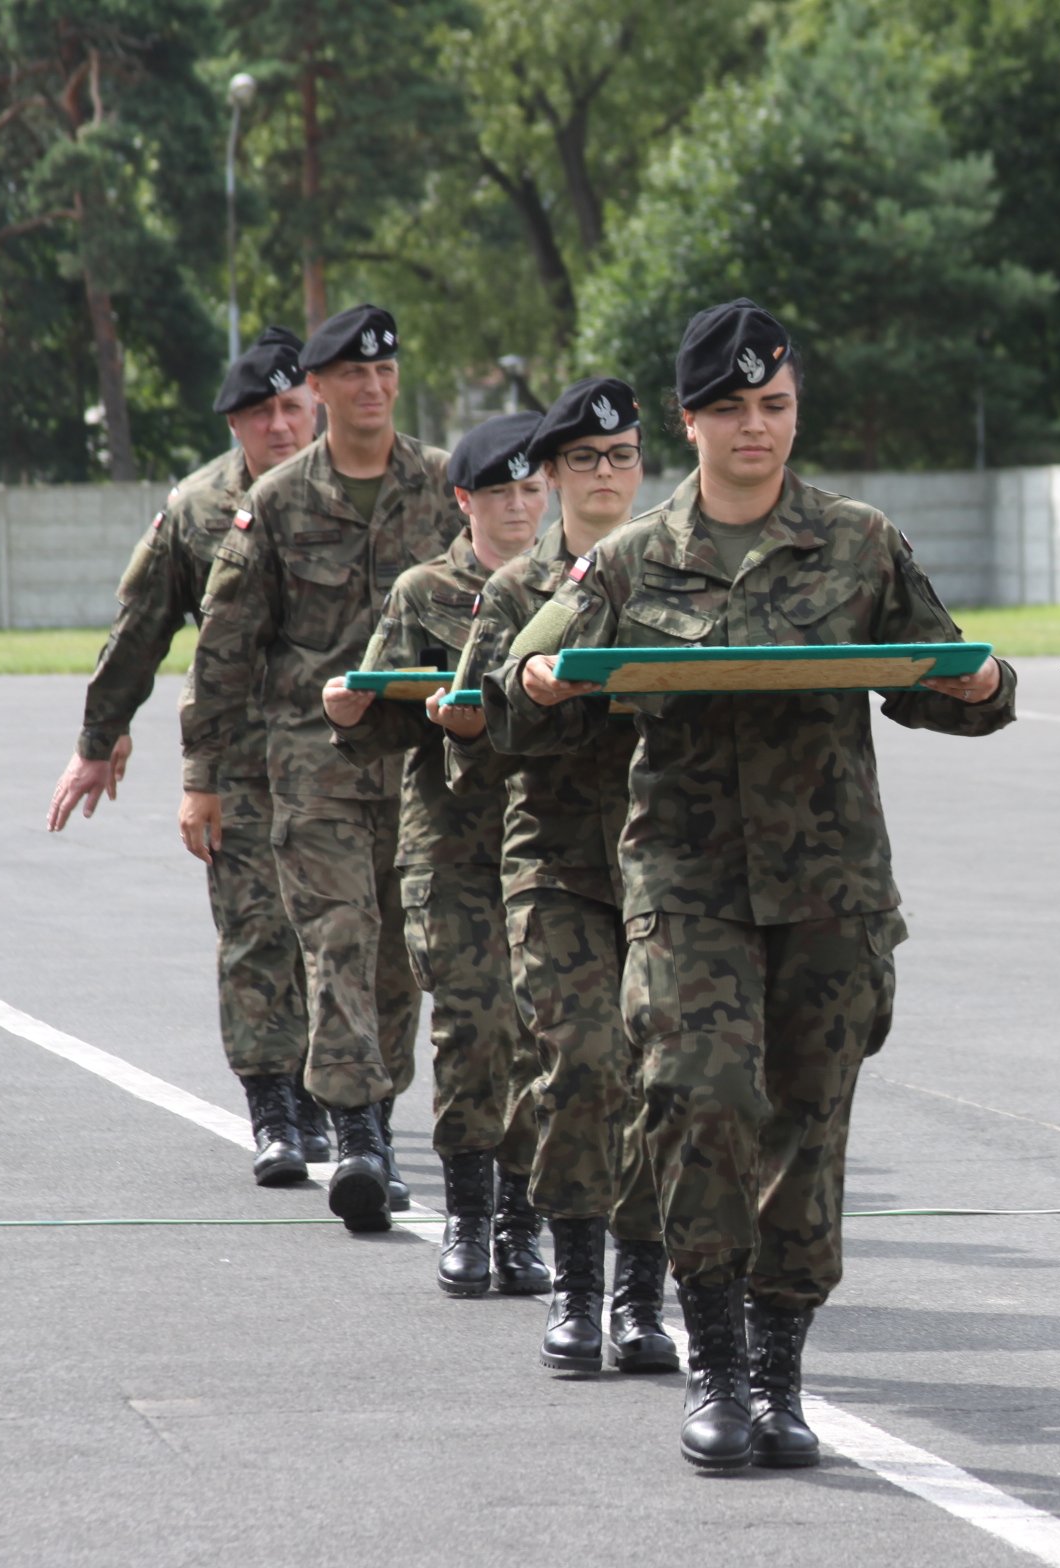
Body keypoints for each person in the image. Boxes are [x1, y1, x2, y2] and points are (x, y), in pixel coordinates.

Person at [490, 301, 1017, 1465]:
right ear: (689, 421)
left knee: (807, 1126)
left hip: (831, 889)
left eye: (774, 404)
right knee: (700, 1095)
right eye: (729, 408)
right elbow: (516, 702)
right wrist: (534, 685)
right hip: (687, 883)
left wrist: (981, 687)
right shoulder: (630, 559)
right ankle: (718, 1361)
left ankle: (780, 1367)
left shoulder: (860, 543)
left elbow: (941, 676)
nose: (755, 428)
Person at [180, 303, 465, 1232]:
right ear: (320, 388)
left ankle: (374, 1113)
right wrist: (202, 774)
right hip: (313, 765)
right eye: (352, 375)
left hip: (422, 767)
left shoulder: (446, 487)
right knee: (337, 941)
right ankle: (360, 1138)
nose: (373, 388)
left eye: (384, 372)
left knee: (399, 961)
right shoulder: (278, 502)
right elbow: (225, 645)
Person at [47, 327, 328, 1183]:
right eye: (259, 413)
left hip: (352, 755)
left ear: (316, 406)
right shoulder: (199, 508)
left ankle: (331, 1094)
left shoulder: (366, 488)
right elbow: (141, 624)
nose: (280, 427)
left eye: (292, 407)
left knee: (346, 931)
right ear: (234, 424)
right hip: (239, 755)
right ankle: (274, 1107)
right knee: (255, 927)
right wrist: (99, 739)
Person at [449, 377, 675, 1373]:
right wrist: (520, 699)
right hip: (560, 864)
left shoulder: (682, 574)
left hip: (675, 862)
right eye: (585, 459)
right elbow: (471, 749)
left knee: (666, 1080)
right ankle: (577, 1284)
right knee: (582, 1064)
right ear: (551, 475)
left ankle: (640, 1293)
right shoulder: (515, 593)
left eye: (622, 456)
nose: (606, 474)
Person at [320, 412, 548, 1296]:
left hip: (553, 842)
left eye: (533, 490)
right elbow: (378, 718)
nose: (520, 507)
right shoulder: (425, 593)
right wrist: (350, 715)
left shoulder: (578, 582)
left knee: (543, 1039)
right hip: (453, 847)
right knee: (475, 1030)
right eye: (501, 493)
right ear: (464, 500)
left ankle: (523, 1220)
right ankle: (471, 1214)